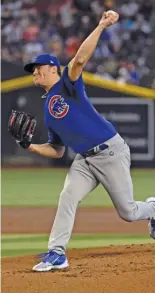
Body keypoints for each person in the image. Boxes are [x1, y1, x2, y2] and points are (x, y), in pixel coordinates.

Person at [16, 11, 155, 271]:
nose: (34, 72)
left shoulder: (67, 85)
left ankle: (153, 208)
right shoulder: (47, 110)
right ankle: (57, 252)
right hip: (85, 160)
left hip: (109, 152)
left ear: (53, 69)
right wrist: (29, 146)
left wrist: (102, 25)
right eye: (32, 69)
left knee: (128, 213)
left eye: (38, 68)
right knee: (67, 196)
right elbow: (57, 150)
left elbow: (80, 59)